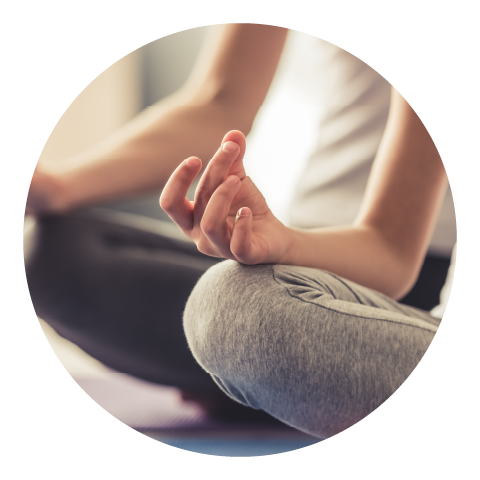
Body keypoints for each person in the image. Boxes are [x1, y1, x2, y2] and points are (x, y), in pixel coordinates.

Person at [24, 24, 454, 436]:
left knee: (236, 307)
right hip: (295, 258)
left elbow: (389, 253)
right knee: (48, 251)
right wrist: (56, 189)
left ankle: (271, 386)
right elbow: (220, 100)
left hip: (406, 284)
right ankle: (274, 386)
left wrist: (287, 244)